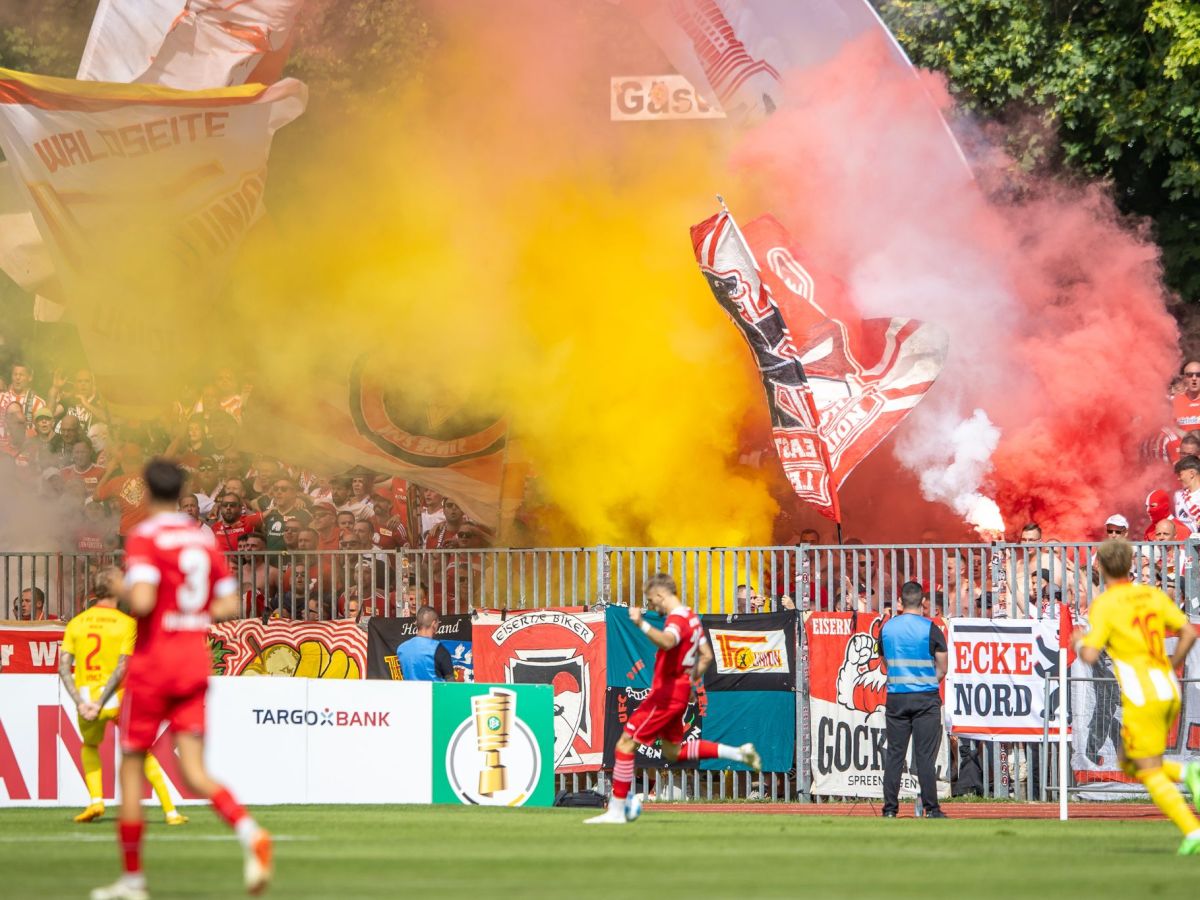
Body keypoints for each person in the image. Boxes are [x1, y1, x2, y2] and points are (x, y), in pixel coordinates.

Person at [90, 459, 271, 900]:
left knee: (132, 767)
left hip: (155, 663)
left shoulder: (146, 537)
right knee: (193, 772)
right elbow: (229, 607)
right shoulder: (201, 539)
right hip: (193, 660)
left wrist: (122, 586)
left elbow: (146, 599)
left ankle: (133, 880)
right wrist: (188, 614)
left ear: (146, 492)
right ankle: (251, 835)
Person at [585, 573, 761, 825]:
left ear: (660, 594)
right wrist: (690, 681)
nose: (652, 606)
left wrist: (640, 624)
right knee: (672, 751)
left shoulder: (677, 618)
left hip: (665, 694)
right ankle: (737, 752)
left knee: (625, 744)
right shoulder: (691, 616)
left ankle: (616, 810)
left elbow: (668, 641)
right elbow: (707, 656)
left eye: (651, 600)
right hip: (678, 693)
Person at [1073, 539, 1200, 855]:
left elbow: (1090, 655)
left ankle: (1192, 828)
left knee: (1146, 769)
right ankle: (1186, 773)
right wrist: (1173, 663)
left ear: (1100, 568)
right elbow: (1187, 631)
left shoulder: (1105, 604)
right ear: (1131, 563)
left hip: (1142, 694)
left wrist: (1079, 641)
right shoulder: (1152, 594)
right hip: (1168, 688)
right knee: (1131, 762)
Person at [57, 568, 185, 826]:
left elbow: (63, 667)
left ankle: (96, 801)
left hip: (85, 696)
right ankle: (170, 812)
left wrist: (83, 703)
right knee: (142, 751)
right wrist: (103, 701)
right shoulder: (126, 624)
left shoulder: (76, 623)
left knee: (90, 746)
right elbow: (121, 667)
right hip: (117, 697)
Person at [879, 580, 948, 819]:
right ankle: (932, 808)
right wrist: (927, 681)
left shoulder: (887, 628)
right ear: (923, 602)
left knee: (895, 755)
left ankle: (889, 810)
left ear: (900, 601)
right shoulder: (931, 628)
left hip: (896, 697)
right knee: (924, 757)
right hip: (925, 697)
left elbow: (885, 661)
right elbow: (943, 667)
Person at [396, 605, 454, 681]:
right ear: (434, 624)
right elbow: (450, 682)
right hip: (434, 692)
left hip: (409, 692)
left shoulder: (401, 649)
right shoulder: (438, 649)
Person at [1173, 455, 1200, 532]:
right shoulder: (1178, 495)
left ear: (1191, 473)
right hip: (1183, 542)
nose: (1178, 479)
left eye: (1180, 474)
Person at [1174, 362, 1200, 436]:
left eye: (1198, 375)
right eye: (1190, 375)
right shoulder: (1175, 402)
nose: (1194, 378)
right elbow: (1169, 428)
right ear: (1184, 379)